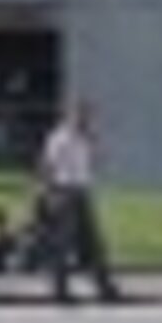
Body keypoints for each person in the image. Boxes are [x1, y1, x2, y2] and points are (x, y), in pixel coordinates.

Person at [36, 97, 127, 306]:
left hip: (82, 191)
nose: (85, 119)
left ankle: (104, 286)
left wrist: (93, 142)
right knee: (63, 243)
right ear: (70, 115)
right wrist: (48, 193)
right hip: (64, 191)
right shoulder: (59, 138)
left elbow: (96, 162)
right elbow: (47, 166)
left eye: (87, 115)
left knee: (93, 242)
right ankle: (60, 288)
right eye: (81, 115)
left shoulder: (86, 138)